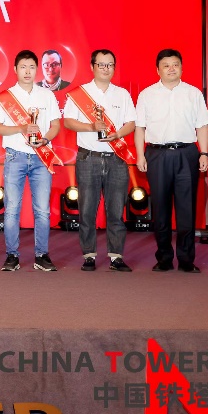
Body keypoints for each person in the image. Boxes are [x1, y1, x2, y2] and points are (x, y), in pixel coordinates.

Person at [135, 49, 208, 273]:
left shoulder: (193, 93)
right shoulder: (147, 95)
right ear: (157, 69)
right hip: (156, 154)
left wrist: (204, 153)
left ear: (181, 67)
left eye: (175, 64)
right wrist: (140, 155)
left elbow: (202, 126)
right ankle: (164, 258)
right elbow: (140, 128)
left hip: (187, 153)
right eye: (166, 65)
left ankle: (186, 260)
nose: (171, 69)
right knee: (160, 209)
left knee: (187, 209)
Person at [63, 49, 136, 272]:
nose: (106, 69)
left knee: (116, 210)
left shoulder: (122, 94)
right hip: (89, 157)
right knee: (87, 210)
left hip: (116, 158)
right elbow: (68, 122)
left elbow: (131, 123)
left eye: (110, 65)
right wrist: (91, 127)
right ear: (92, 66)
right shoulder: (80, 94)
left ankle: (116, 256)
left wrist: (118, 134)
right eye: (101, 64)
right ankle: (89, 255)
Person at [0, 49, 62, 272]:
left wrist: (45, 140)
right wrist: (21, 128)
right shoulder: (5, 97)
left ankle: (42, 255)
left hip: (41, 157)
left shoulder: (47, 95)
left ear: (37, 69)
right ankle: (12, 255)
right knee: (12, 208)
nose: (28, 71)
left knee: (42, 210)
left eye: (31, 67)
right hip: (15, 156)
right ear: (15, 69)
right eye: (23, 67)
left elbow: (56, 125)